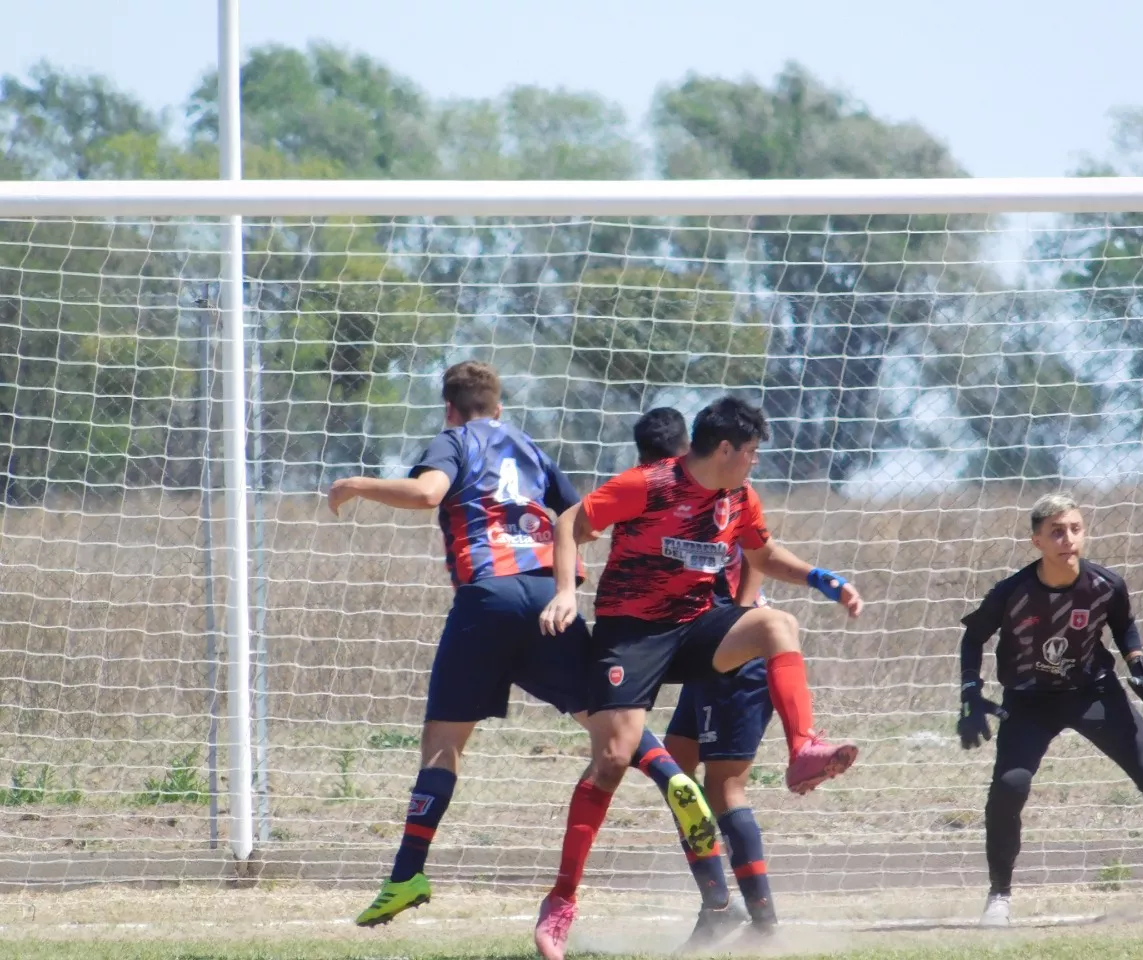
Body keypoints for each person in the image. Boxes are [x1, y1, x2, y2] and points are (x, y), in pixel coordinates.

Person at [326, 361, 720, 928]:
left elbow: (427, 492)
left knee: (443, 744)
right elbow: (581, 519)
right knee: (608, 721)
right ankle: (671, 777)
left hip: (486, 599)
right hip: (543, 597)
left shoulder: (454, 440)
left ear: (450, 409)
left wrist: (358, 484)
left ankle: (406, 874)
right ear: (500, 407)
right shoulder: (530, 448)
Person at [532, 396, 863, 960]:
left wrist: (824, 580)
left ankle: (804, 746)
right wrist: (567, 592)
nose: (756, 463)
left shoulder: (739, 496)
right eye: (752, 453)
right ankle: (561, 902)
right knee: (614, 756)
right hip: (632, 634)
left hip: (696, 626)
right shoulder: (648, 482)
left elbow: (765, 552)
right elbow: (570, 522)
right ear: (726, 449)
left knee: (777, 624)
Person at [957, 492, 1143, 926]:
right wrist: (970, 694)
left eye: (1074, 529)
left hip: (1094, 694)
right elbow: (973, 637)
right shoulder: (1012, 592)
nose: (1067, 539)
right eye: (1055, 532)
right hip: (1029, 701)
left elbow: (1123, 624)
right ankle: (999, 896)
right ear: (1037, 542)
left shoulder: (1105, 584)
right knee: (1009, 788)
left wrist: (1138, 667)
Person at [633, 407, 778, 946]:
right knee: (678, 767)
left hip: (735, 654)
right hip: (706, 657)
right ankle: (717, 903)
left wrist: (738, 618)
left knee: (724, 784)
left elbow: (758, 552)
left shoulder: (719, 494)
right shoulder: (667, 495)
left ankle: (762, 923)